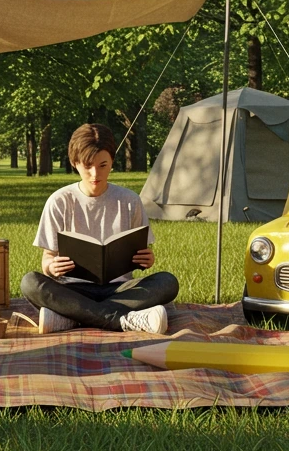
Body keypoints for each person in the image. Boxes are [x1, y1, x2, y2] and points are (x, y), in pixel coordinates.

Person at [20, 123, 179, 334]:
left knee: (167, 282)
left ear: (112, 161)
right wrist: (51, 267)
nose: (95, 174)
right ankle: (122, 320)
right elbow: (47, 259)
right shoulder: (59, 201)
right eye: (87, 165)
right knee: (30, 283)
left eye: (103, 165)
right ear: (75, 163)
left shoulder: (130, 201)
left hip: (120, 290)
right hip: (73, 289)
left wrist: (148, 260)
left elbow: (143, 255)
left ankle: (73, 319)